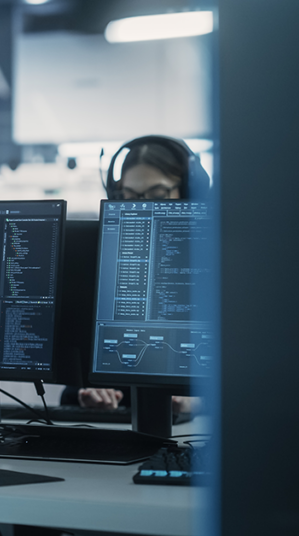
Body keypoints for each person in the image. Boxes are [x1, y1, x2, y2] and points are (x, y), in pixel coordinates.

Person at [63, 136, 202, 413]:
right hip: (123, 429)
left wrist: (204, 403)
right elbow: (72, 382)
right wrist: (85, 392)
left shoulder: (219, 266)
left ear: (187, 190)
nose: (142, 207)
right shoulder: (104, 263)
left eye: (158, 194)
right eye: (128, 197)